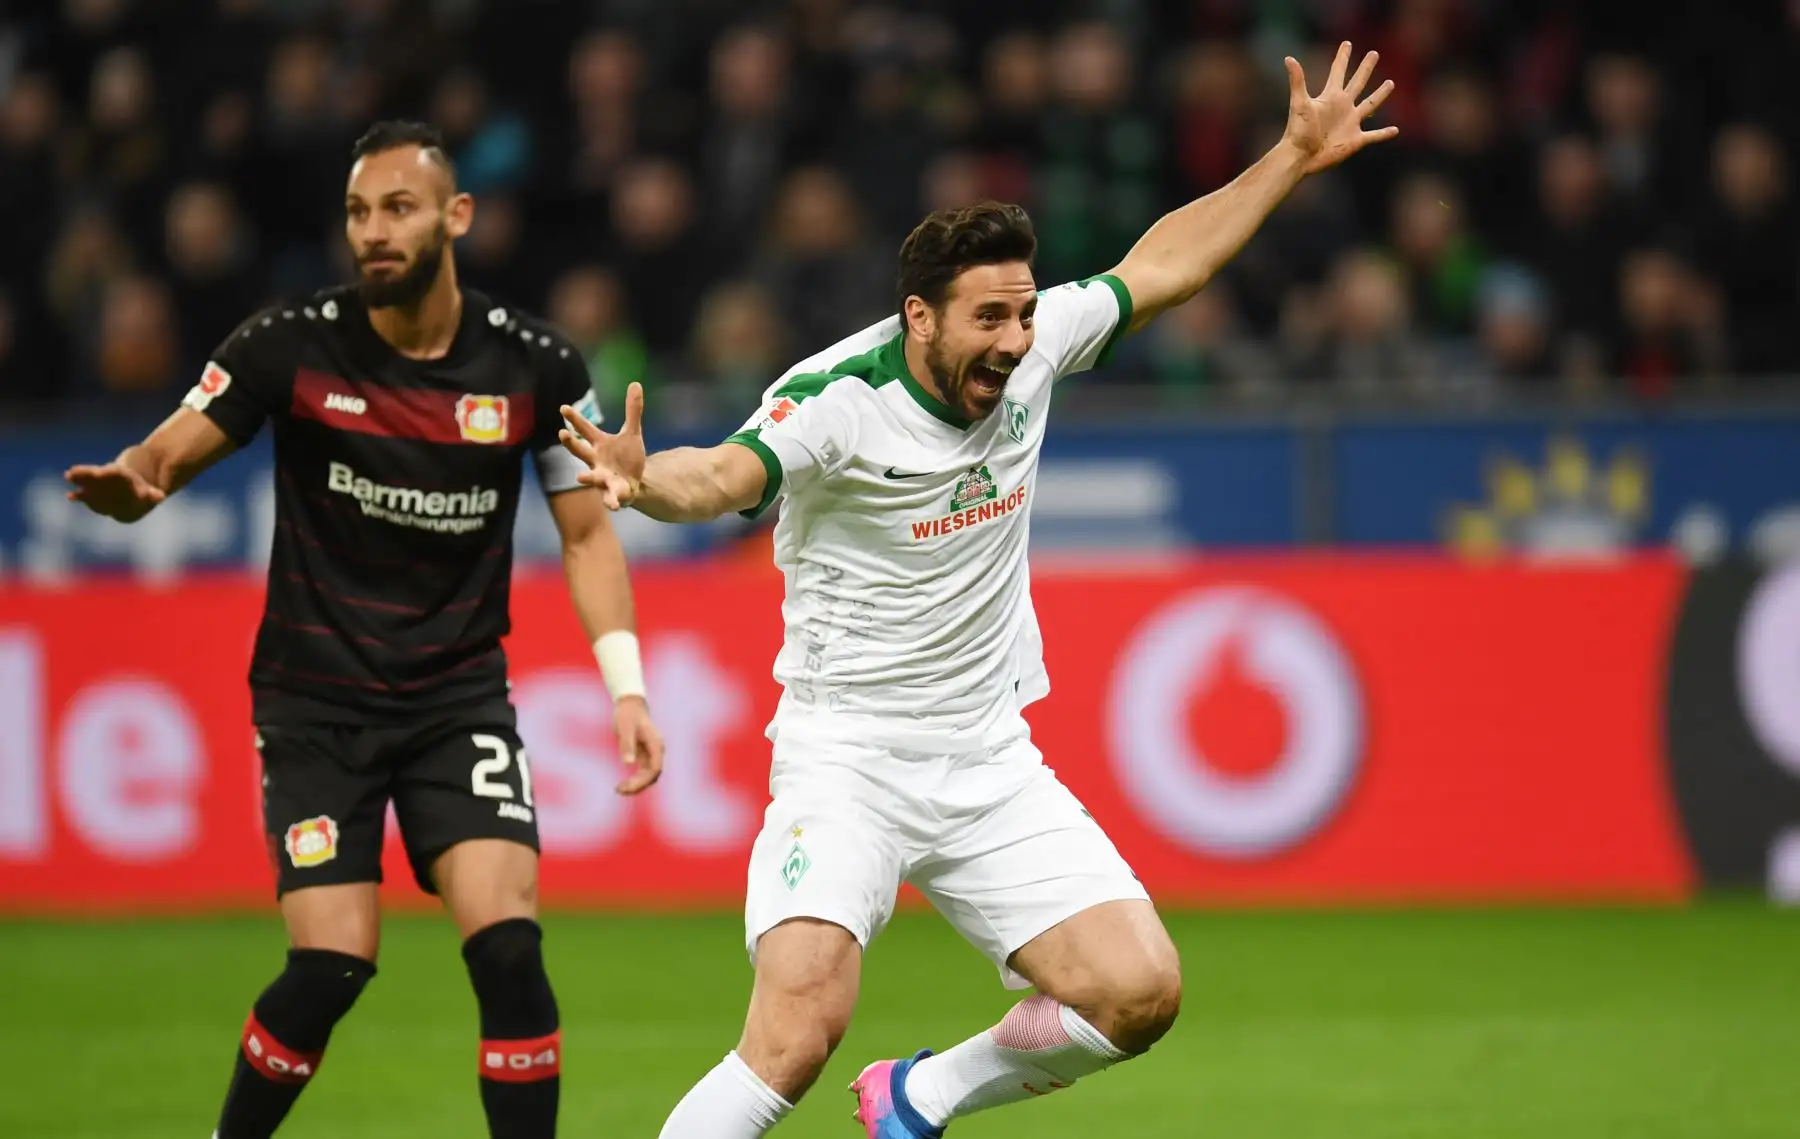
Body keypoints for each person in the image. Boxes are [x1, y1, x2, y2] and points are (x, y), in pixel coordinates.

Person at [556, 45, 1395, 1139]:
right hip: (847, 754)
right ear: (919, 318)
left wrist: (1288, 156)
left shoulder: (1035, 347)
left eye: (1021, 316)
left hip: (986, 753)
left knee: (1139, 991)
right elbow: (721, 474)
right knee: (801, 1022)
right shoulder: (839, 400)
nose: (1012, 341)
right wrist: (640, 478)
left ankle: (922, 1095)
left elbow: (1165, 267)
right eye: (986, 321)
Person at [64, 121, 666, 1139]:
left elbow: (588, 536)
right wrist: (138, 483)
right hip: (315, 703)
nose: (374, 232)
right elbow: (163, 454)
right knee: (331, 965)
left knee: (512, 951)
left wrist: (628, 686)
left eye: (398, 208)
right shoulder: (288, 345)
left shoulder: (534, 366)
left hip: (455, 700)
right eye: (357, 212)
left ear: (455, 216)